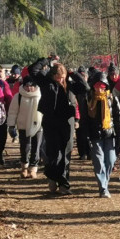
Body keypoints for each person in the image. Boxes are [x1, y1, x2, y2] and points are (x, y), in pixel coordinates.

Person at [38, 61, 79, 194]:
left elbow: (85, 88)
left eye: (63, 76)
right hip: (51, 122)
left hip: (67, 123)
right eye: (58, 76)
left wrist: (73, 73)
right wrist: (44, 62)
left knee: (66, 154)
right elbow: (33, 70)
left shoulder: (70, 86)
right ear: (53, 75)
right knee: (55, 154)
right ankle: (52, 175)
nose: (61, 79)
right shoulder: (47, 84)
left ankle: (64, 184)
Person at [85, 68, 120, 197]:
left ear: (105, 86)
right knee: (98, 161)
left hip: (109, 135)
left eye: (102, 85)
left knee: (111, 160)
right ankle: (103, 188)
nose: (99, 88)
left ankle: (104, 183)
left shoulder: (112, 99)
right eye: (97, 85)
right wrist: (85, 136)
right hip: (95, 136)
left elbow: (119, 119)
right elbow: (85, 120)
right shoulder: (89, 100)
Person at [7, 65, 43, 178]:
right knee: (25, 147)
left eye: (31, 86)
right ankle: (24, 166)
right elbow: (13, 112)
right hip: (23, 125)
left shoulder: (40, 96)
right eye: (26, 86)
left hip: (38, 126)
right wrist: (11, 125)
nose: (28, 88)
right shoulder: (18, 96)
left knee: (36, 147)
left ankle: (33, 168)